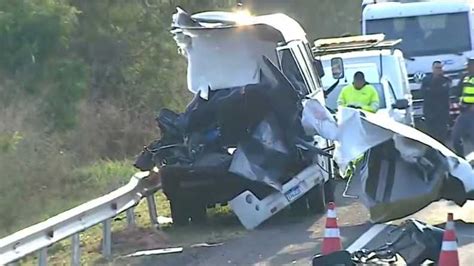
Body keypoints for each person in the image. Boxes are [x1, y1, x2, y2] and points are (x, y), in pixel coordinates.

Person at [420, 61, 451, 143]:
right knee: (431, 136)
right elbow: (423, 92)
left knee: (442, 136)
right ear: (433, 69)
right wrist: (432, 90)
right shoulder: (426, 80)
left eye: (440, 68)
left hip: (442, 113)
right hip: (430, 112)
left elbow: (443, 91)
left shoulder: (446, 80)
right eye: (437, 68)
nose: (439, 70)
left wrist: (431, 90)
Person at [451, 58, 474, 156]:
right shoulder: (465, 77)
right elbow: (458, 91)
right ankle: (461, 158)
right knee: (455, 137)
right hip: (464, 111)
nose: (467, 67)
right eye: (467, 66)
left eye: (469, 65)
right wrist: (458, 100)